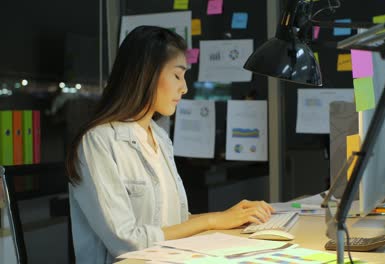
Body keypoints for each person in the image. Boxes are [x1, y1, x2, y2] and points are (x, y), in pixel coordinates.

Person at [66, 25, 274, 264]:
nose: (184, 88)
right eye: (177, 75)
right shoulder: (98, 142)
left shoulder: (159, 136)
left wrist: (232, 218)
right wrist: (214, 219)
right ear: (147, 75)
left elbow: (173, 223)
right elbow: (126, 242)